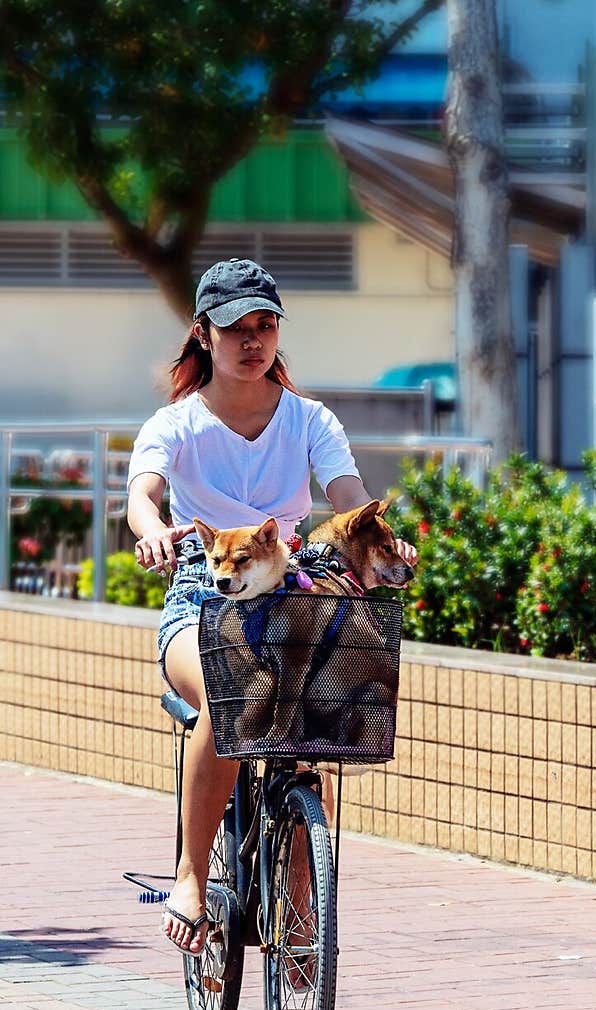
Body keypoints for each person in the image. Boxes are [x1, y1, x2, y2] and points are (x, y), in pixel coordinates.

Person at [127, 257, 417, 955]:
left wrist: (382, 545)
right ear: (203, 334)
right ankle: (191, 877)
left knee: (310, 730)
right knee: (233, 701)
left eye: (265, 326)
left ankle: (297, 900)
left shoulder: (310, 420)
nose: (253, 341)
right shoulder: (176, 425)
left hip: (289, 598)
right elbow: (143, 495)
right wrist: (154, 535)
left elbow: (349, 498)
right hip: (200, 598)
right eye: (235, 329)